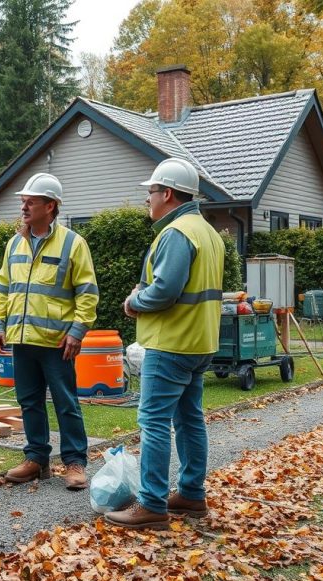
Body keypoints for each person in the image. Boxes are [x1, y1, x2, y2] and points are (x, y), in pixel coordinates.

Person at [105, 158, 224, 530]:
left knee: (154, 421)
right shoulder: (208, 232)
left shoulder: (176, 233)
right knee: (190, 420)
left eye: (151, 192)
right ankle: (191, 494)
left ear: (167, 194)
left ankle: (152, 504)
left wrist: (132, 302)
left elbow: (165, 291)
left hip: (170, 343)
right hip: (199, 343)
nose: (148, 200)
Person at [0, 172, 98, 491]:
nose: (24, 206)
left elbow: (88, 292)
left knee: (66, 402)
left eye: (30, 201)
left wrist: (77, 331)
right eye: (23, 201)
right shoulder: (14, 244)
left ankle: (75, 462)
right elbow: (2, 286)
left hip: (57, 343)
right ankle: (37, 460)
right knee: (29, 401)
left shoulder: (73, 243)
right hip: (22, 340)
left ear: (50, 206)